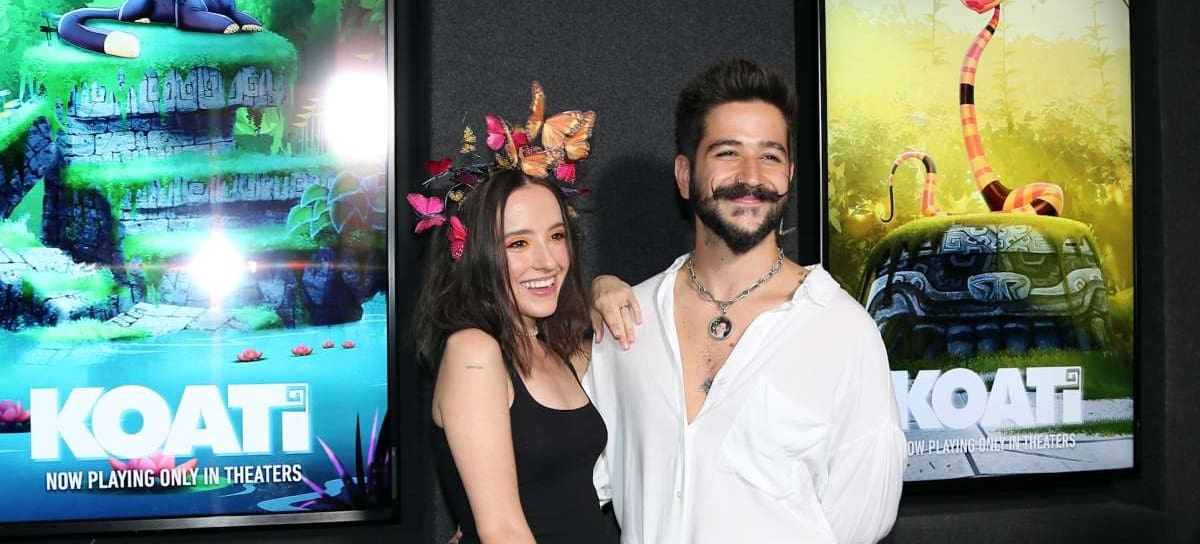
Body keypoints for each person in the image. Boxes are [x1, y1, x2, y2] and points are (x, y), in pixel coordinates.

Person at [585, 59, 906, 543]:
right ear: (684, 174)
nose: (751, 176)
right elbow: (570, 477)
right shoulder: (628, 321)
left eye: (770, 156)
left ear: (789, 175)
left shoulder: (842, 331)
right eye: (728, 152)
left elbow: (859, 521)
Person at [413, 165, 616, 544]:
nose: (548, 261)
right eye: (518, 243)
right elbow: (502, 531)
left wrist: (606, 285)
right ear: (475, 253)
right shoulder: (473, 351)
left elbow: (627, 345)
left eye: (556, 236)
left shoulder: (554, 350)